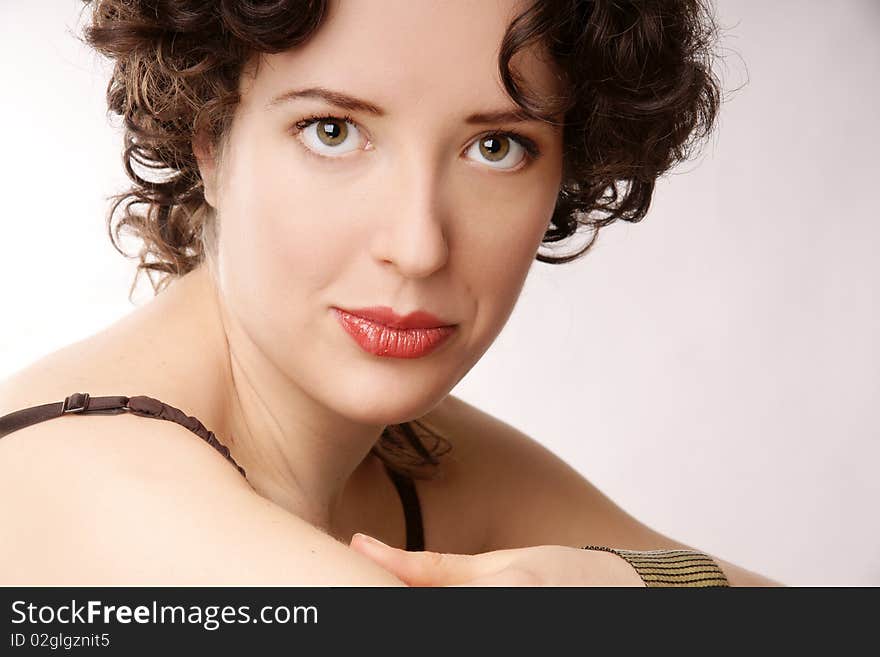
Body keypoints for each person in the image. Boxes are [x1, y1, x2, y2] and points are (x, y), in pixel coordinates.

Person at [0, 0, 779, 586]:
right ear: (210, 135)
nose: (417, 246)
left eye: (496, 146)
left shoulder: (423, 458)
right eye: (332, 130)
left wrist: (633, 583)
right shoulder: (99, 484)